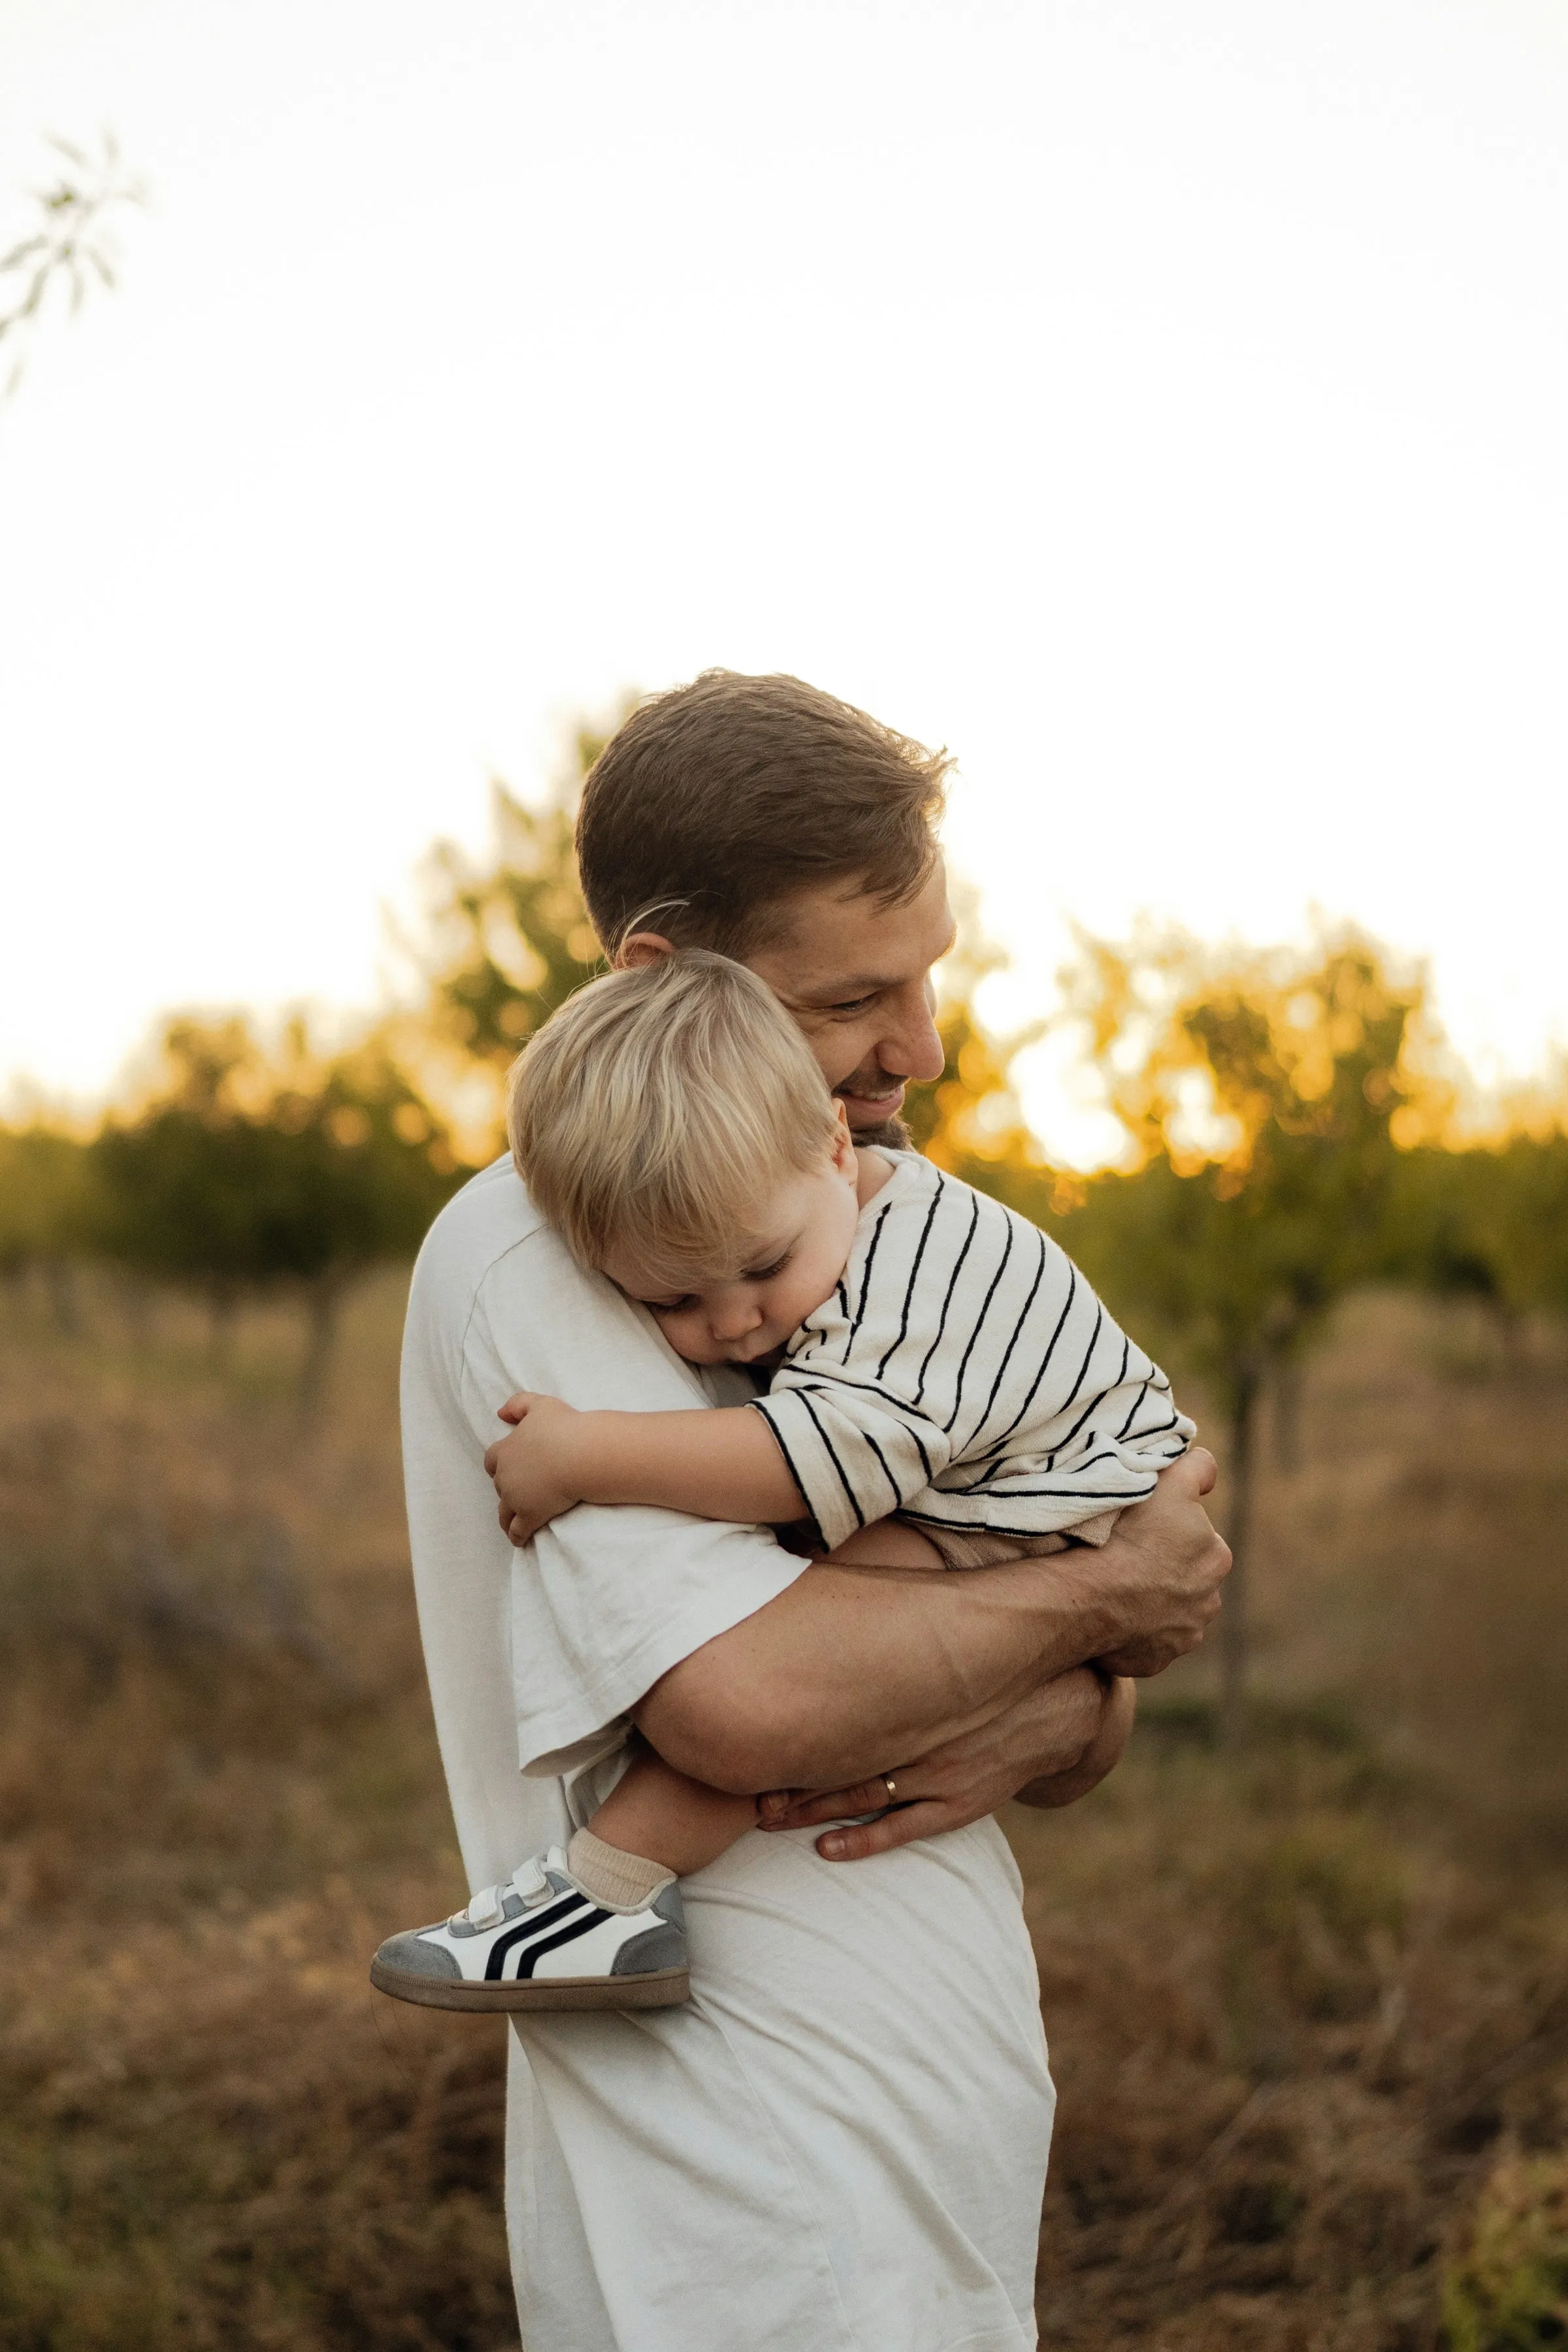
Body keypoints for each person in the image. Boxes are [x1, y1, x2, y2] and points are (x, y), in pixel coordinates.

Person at [393, 670, 1231, 2352]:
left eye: (926, 978)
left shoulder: (855, 1225)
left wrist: (1075, 1685)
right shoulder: (556, 1250)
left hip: (905, 2151)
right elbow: (749, 1700)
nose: (921, 1049)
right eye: (861, 996)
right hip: (747, 2178)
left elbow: (1064, 1710)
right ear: (666, 976)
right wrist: (1093, 1613)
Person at [372, 951, 1195, 2011]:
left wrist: (587, 1453)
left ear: (832, 1141)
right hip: (1020, 1507)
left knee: (812, 1649)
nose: (731, 1322)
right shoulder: (798, 1218)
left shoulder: (921, 1276)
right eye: (672, 1302)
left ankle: (605, 1894)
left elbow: (807, 1462)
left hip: (1050, 1505)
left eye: (763, 1268)